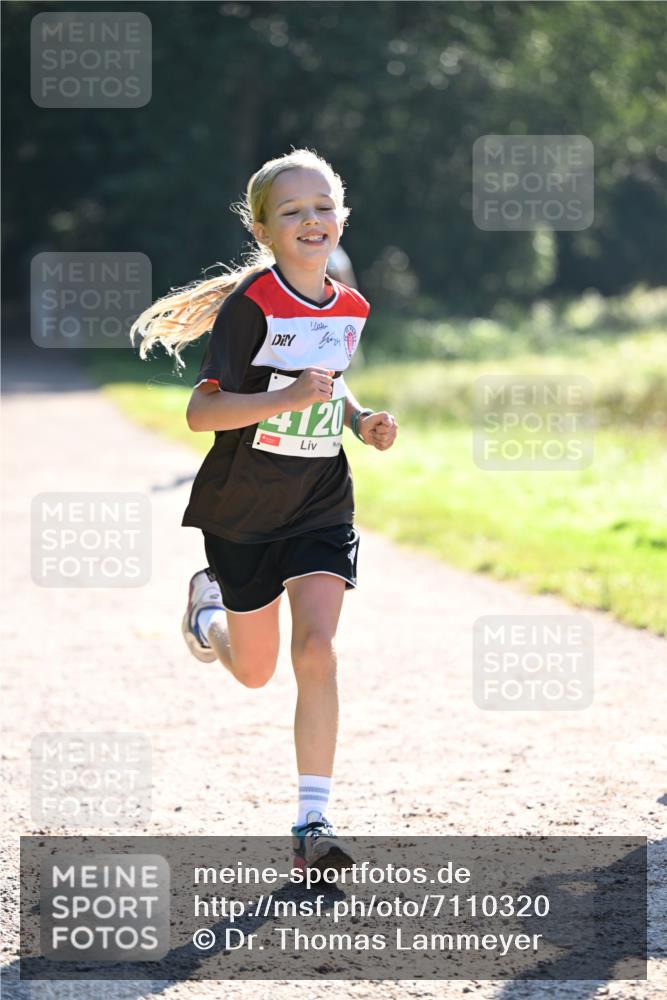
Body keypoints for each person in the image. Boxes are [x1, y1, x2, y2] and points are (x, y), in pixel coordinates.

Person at [131, 148, 398, 871]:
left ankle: (314, 820)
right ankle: (209, 610)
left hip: (318, 502)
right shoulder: (252, 306)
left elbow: (330, 383)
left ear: (340, 217)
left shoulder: (351, 306)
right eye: (292, 212)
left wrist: (359, 418)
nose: (311, 221)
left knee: (315, 649)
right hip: (243, 510)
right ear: (264, 230)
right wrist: (285, 400)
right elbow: (201, 411)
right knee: (253, 672)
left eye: (322, 207)